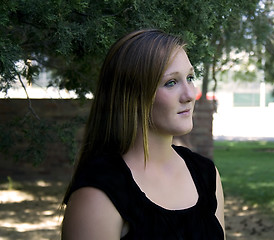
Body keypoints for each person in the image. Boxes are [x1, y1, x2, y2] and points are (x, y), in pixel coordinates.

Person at [61, 29, 225, 240]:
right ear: (133, 94)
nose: (190, 95)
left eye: (190, 77)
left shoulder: (206, 174)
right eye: (171, 82)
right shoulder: (99, 192)